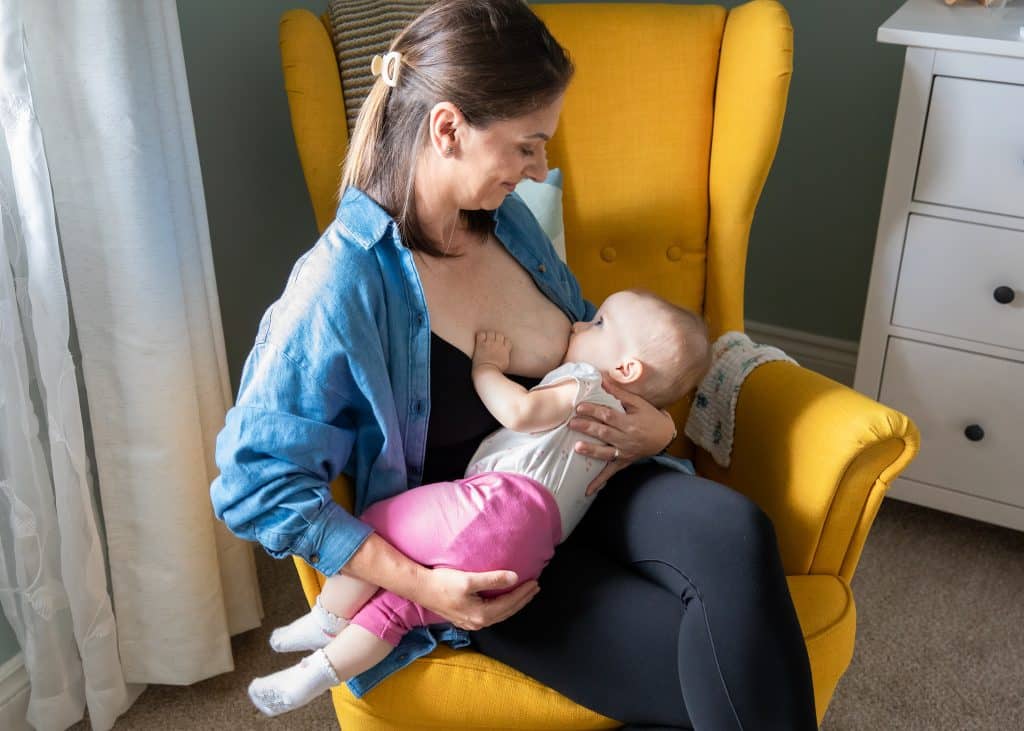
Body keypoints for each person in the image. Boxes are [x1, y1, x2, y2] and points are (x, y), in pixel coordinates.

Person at [210, 1, 818, 728]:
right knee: (703, 666)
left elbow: (596, 346)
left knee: (736, 534)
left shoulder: (506, 220)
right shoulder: (342, 284)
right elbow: (253, 483)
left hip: (593, 484)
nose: (542, 167)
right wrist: (423, 585)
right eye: (528, 144)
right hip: (488, 545)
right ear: (448, 129)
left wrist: (654, 429)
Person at [245, 290, 711, 717]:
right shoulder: (628, 427)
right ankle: (314, 674)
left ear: (626, 370)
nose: (580, 325)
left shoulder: (586, 383)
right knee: (399, 609)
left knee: (376, 523)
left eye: (599, 324)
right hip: (531, 552)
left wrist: (486, 368)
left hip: (497, 506)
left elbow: (522, 412)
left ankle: (328, 619)